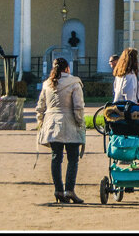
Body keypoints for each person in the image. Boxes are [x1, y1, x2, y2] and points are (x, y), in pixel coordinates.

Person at [35, 56, 86, 204]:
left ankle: (58, 190)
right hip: (70, 123)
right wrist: (79, 122)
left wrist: (41, 121)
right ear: (67, 68)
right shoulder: (74, 83)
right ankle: (69, 190)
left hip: (52, 124)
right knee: (73, 159)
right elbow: (78, 106)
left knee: (56, 158)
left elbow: (40, 106)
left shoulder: (47, 84)